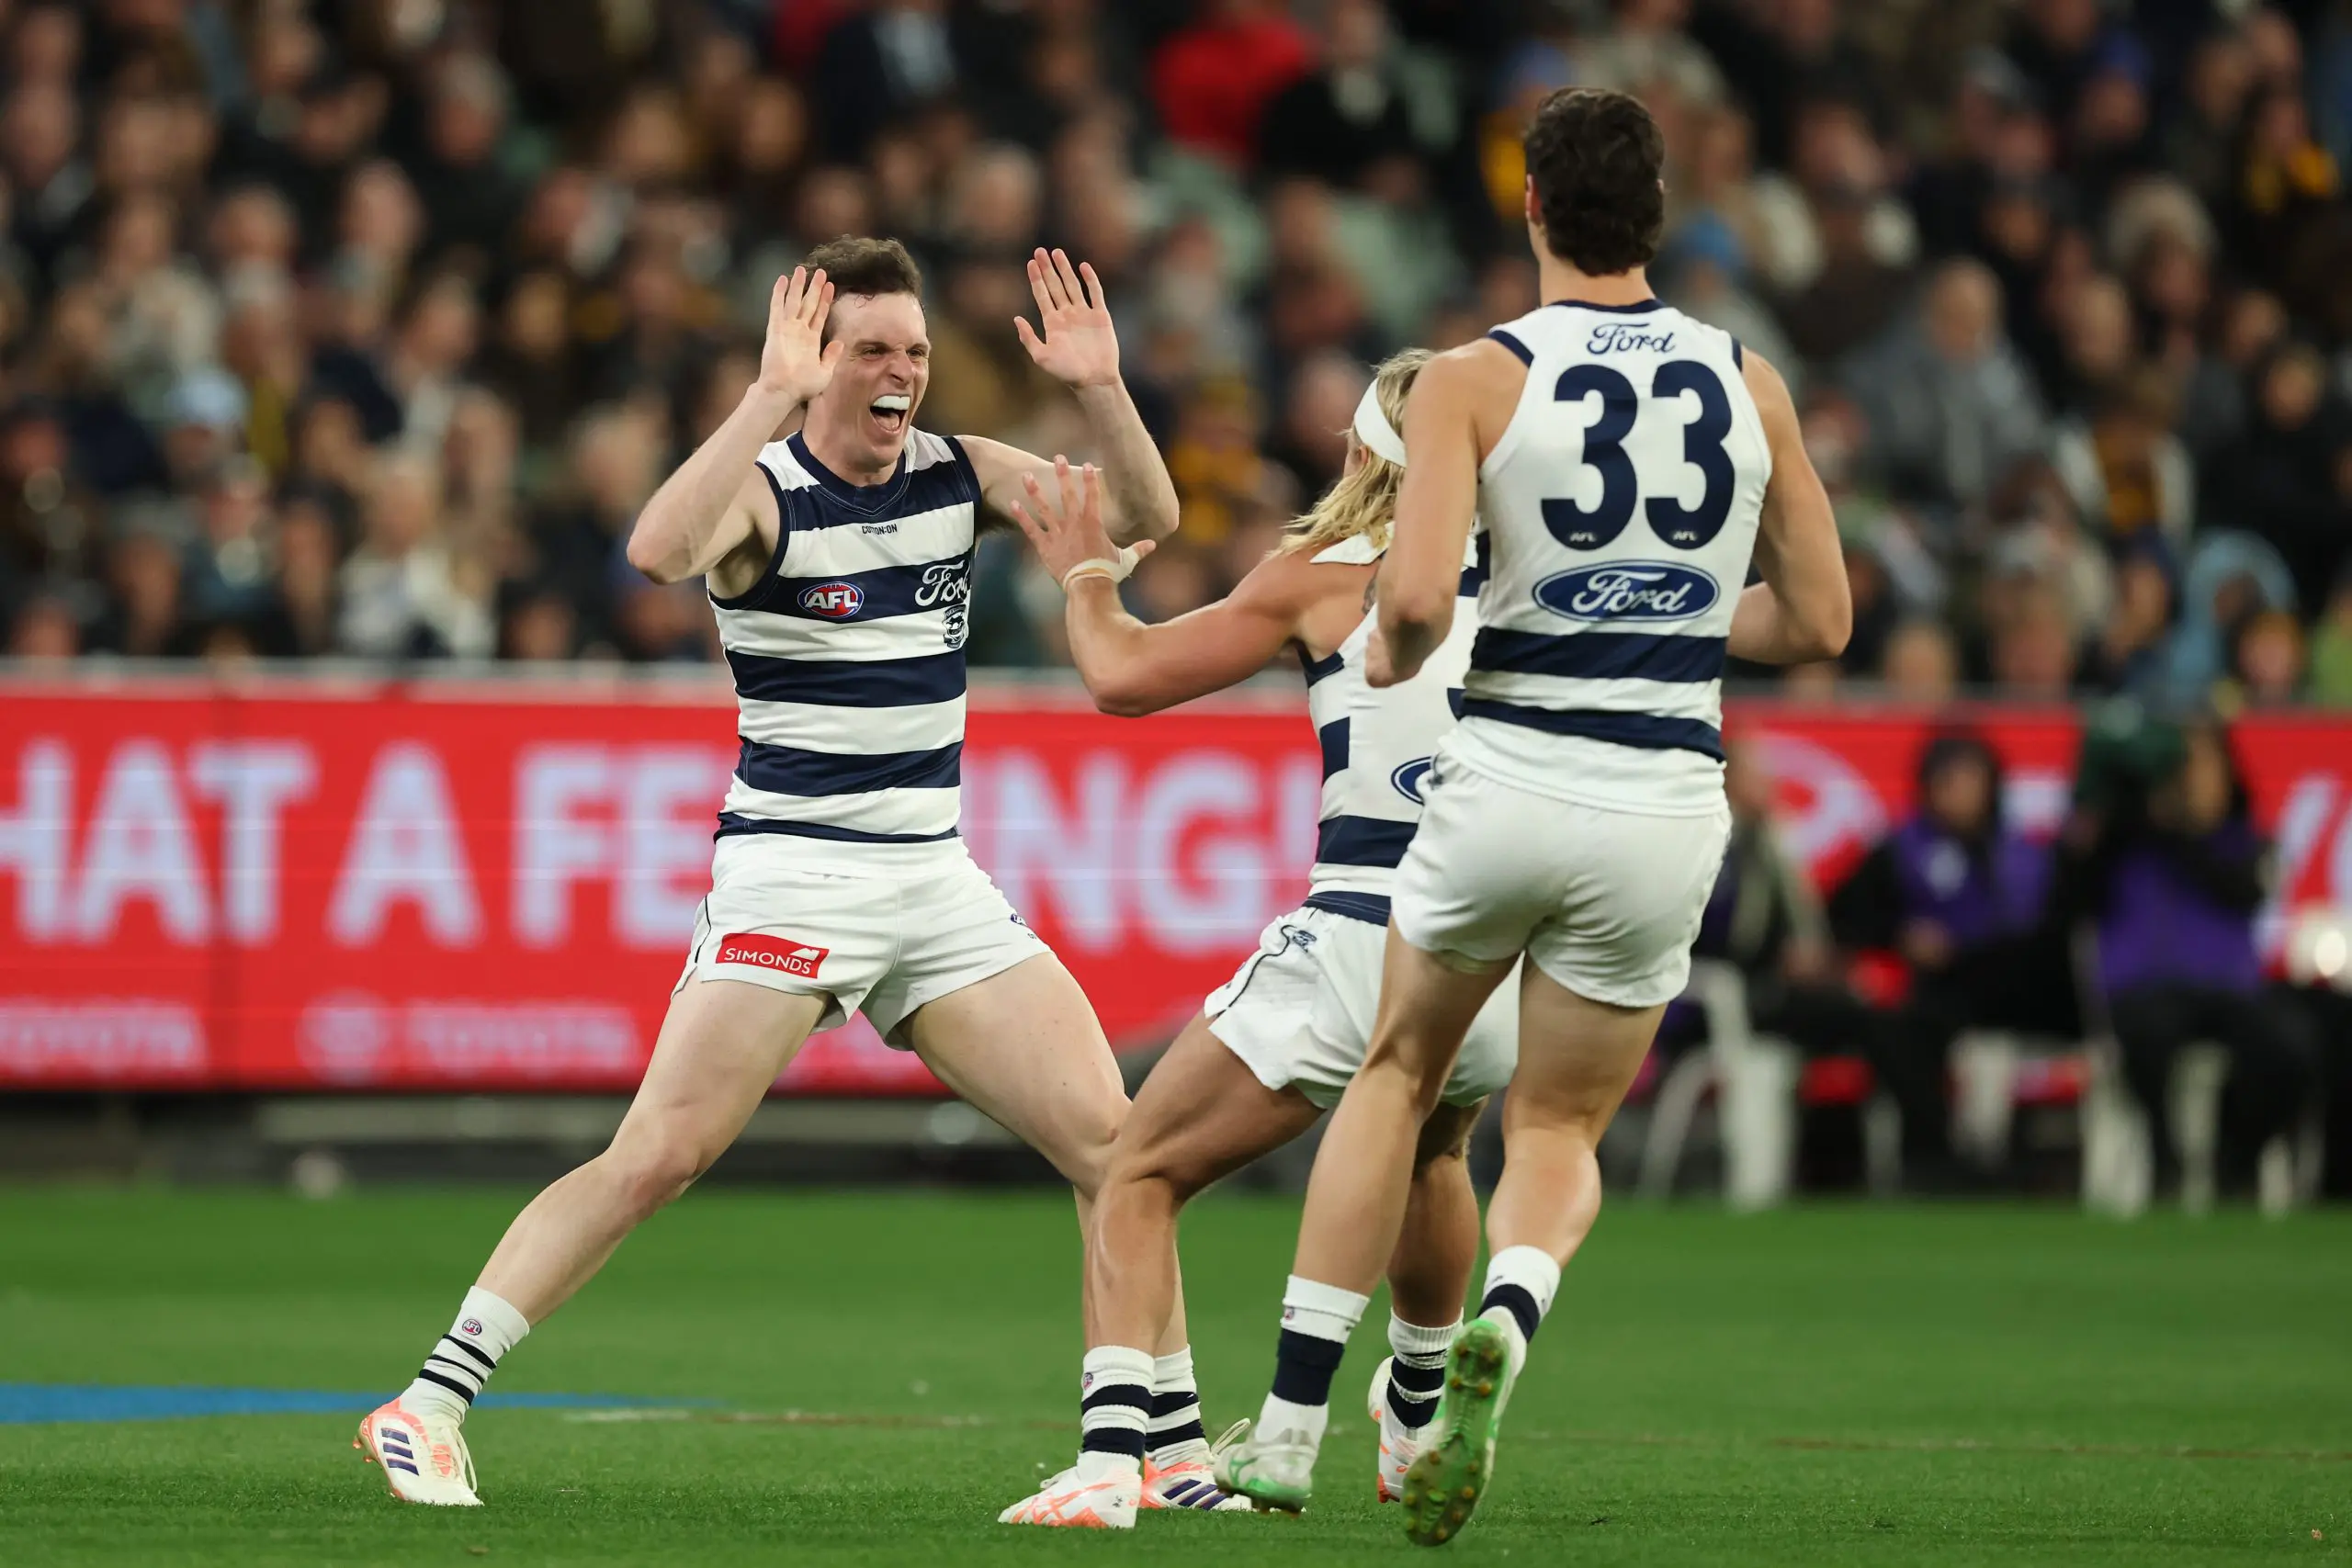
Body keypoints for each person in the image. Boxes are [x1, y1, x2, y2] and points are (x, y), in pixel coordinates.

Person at [354, 239, 1182, 1506]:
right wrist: (762, 397)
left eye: (910, 349)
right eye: (869, 350)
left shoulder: (957, 473)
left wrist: (1103, 390)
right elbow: (654, 548)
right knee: (659, 1156)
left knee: (1117, 1148)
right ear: (820, 364)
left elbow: (1142, 520)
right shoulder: (767, 488)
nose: (899, 370)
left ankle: (1155, 1457)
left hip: (931, 877)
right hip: (793, 878)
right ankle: (428, 1401)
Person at [1214, 87, 1850, 1541]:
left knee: (1397, 1074)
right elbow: (1819, 617)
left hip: (1509, 777)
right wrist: (1669, 617)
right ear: (1661, 214)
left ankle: (1297, 1427)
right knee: (1557, 1122)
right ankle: (1508, 1305)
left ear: (1532, 209)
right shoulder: (1749, 378)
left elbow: (1422, 597)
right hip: (1666, 799)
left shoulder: (1474, 377)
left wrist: (1386, 651)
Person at [995, 352, 1519, 1529]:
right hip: (1497, 955)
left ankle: (1111, 1465)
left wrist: (1084, 573)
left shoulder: (1325, 579)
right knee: (1436, 1152)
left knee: (1135, 1170)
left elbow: (1121, 677)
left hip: (1361, 933)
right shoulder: (1540, 581)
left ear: (1371, 455)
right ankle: (1418, 1406)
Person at [1827, 730, 2073, 1188]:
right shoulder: (1902, 849)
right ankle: (1943, 1159)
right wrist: (1902, 936)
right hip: (1944, 995)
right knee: (1898, 1030)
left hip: (2024, 993)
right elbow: (1846, 916)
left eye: (1970, 779)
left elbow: (2059, 930)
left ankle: (2009, 1163)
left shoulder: (2029, 852)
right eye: (1948, 779)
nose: (1959, 792)